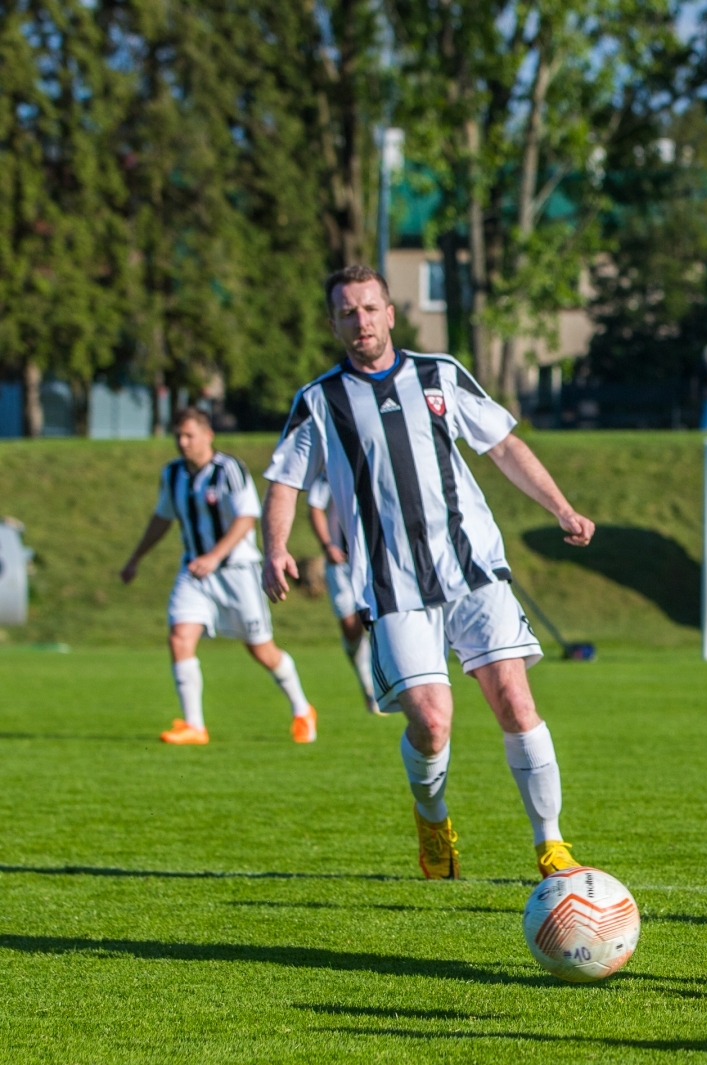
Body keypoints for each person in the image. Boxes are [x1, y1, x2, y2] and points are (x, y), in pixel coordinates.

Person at [260, 265, 598, 881]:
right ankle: (433, 818)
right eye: (347, 313)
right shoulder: (320, 401)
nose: (361, 322)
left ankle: (551, 843)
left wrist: (562, 508)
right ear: (334, 325)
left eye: (370, 308)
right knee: (432, 722)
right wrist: (275, 547)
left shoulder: (440, 373)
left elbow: (503, 445)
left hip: (474, 570)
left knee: (515, 701)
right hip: (393, 587)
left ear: (390, 313)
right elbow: (285, 479)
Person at [119, 408, 316, 745]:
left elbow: (246, 518)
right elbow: (162, 518)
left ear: (207, 435)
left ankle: (302, 709)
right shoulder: (172, 474)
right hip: (195, 572)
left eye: (189, 435)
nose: (183, 442)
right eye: (178, 436)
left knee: (262, 650)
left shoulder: (229, 470)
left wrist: (214, 556)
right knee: (179, 637)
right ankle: (194, 726)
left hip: (237, 572)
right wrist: (135, 558)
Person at [306, 479, 381, 713]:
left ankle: (385, 686)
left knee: (382, 622)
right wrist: (327, 545)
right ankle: (367, 685)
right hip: (341, 562)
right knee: (351, 626)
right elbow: (315, 506)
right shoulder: (330, 468)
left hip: (376, 559)